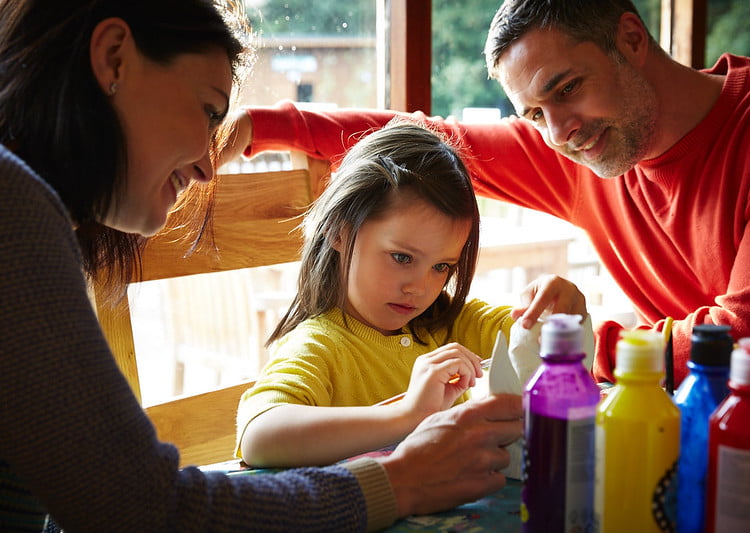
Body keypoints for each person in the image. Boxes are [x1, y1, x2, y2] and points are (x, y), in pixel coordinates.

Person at [0, 1, 524, 531]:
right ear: (114, 58)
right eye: (208, 110)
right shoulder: (11, 210)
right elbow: (141, 506)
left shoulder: (24, 208)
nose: (208, 164)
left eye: (442, 267)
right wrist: (400, 482)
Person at [221, 0, 750, 386]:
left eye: (567, 88)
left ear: (630, 37)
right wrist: (262, 126)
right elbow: (429, 139)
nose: (560, 132)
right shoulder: (582, 149)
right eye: (534, 114)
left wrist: (570, 346)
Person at [237, 121, 579, 468]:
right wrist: (408, 413)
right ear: (338, 231)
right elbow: (259, 436)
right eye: (402, 258)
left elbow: (540, 341)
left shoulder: (449, 325)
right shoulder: (320, 346)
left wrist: (558, 314)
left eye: (441, 267)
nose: (420, 288)